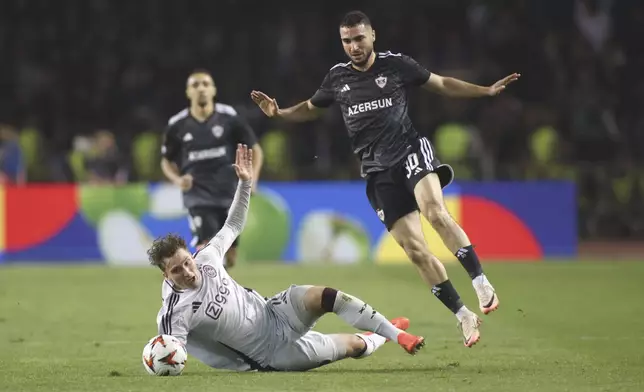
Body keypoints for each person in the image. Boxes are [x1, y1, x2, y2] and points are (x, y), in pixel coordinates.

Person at [251, 10, 520, 347]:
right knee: (416, 251)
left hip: (410, 151)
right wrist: (280, 113)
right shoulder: (337, 78)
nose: (353, 46)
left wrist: (485, 91)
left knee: (435, 212)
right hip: (378, 173)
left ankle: (480, 281)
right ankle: (463, 315)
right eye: (347, 40)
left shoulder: (396, 65)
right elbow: (310, 107)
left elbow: (442, 84)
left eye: (359, 38)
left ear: (373, 35)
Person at [149, 144, 425, 372]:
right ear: (166, 275)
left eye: (187, 262)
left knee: (326, 296)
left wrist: (245, 183)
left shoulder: (206, 258)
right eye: (177, 270)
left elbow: (232, 225)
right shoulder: (175, 313)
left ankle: (397, 334)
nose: (187, 271)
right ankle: (378, 336)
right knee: (354, 346)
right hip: (269, 355)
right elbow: (174, 352)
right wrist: (162, 361)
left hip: (274, 312)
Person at [162, 69, 264, 269]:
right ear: (188, 92)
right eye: (195, 85)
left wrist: (253, 180)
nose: (201, 89)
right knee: (206, 252)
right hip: (198, 197)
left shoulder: (229, 118)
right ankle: (210, 297)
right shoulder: (177, 125)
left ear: (213, 90)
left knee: (230, 257)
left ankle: (219, 291)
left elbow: (256, 150)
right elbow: (166, 161)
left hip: (229, 195)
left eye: (206, 84)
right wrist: (177, 180)